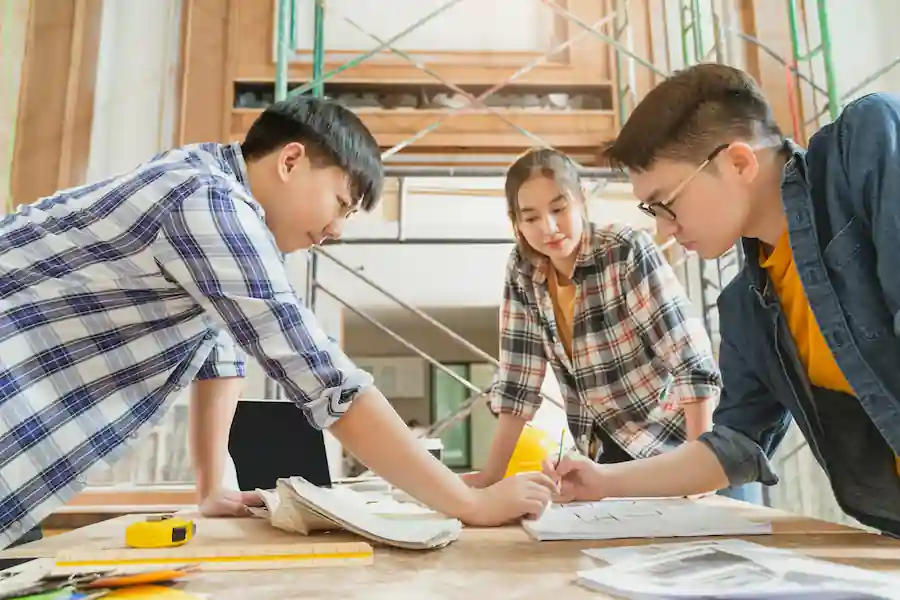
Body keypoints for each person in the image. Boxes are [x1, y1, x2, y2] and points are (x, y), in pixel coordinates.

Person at [0, 95, 558, 549]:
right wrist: (470, 504)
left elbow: (219, 353)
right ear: (291, 162)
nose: (338, 230)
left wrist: (213, 483)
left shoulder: (206, 185)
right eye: (341, 203)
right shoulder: (211, 204)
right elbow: (321, 376)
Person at [549, 63, 900, 535]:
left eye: (665, 203)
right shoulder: (747, 310)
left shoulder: (865, 146)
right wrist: (603, 480)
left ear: (738, 163)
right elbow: (734, 446)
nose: (663, 229)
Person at [463, 148, 759, 500]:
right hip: (612, 463)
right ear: (516, 222)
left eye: (559, 209)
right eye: (531, 218)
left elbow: (692, 366)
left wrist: (697, 478)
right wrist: (490, 478)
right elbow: (517, 384)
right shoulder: (523, 272)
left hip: (689, 447)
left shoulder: (624, 251)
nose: (549, 228)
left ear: (581, 200)